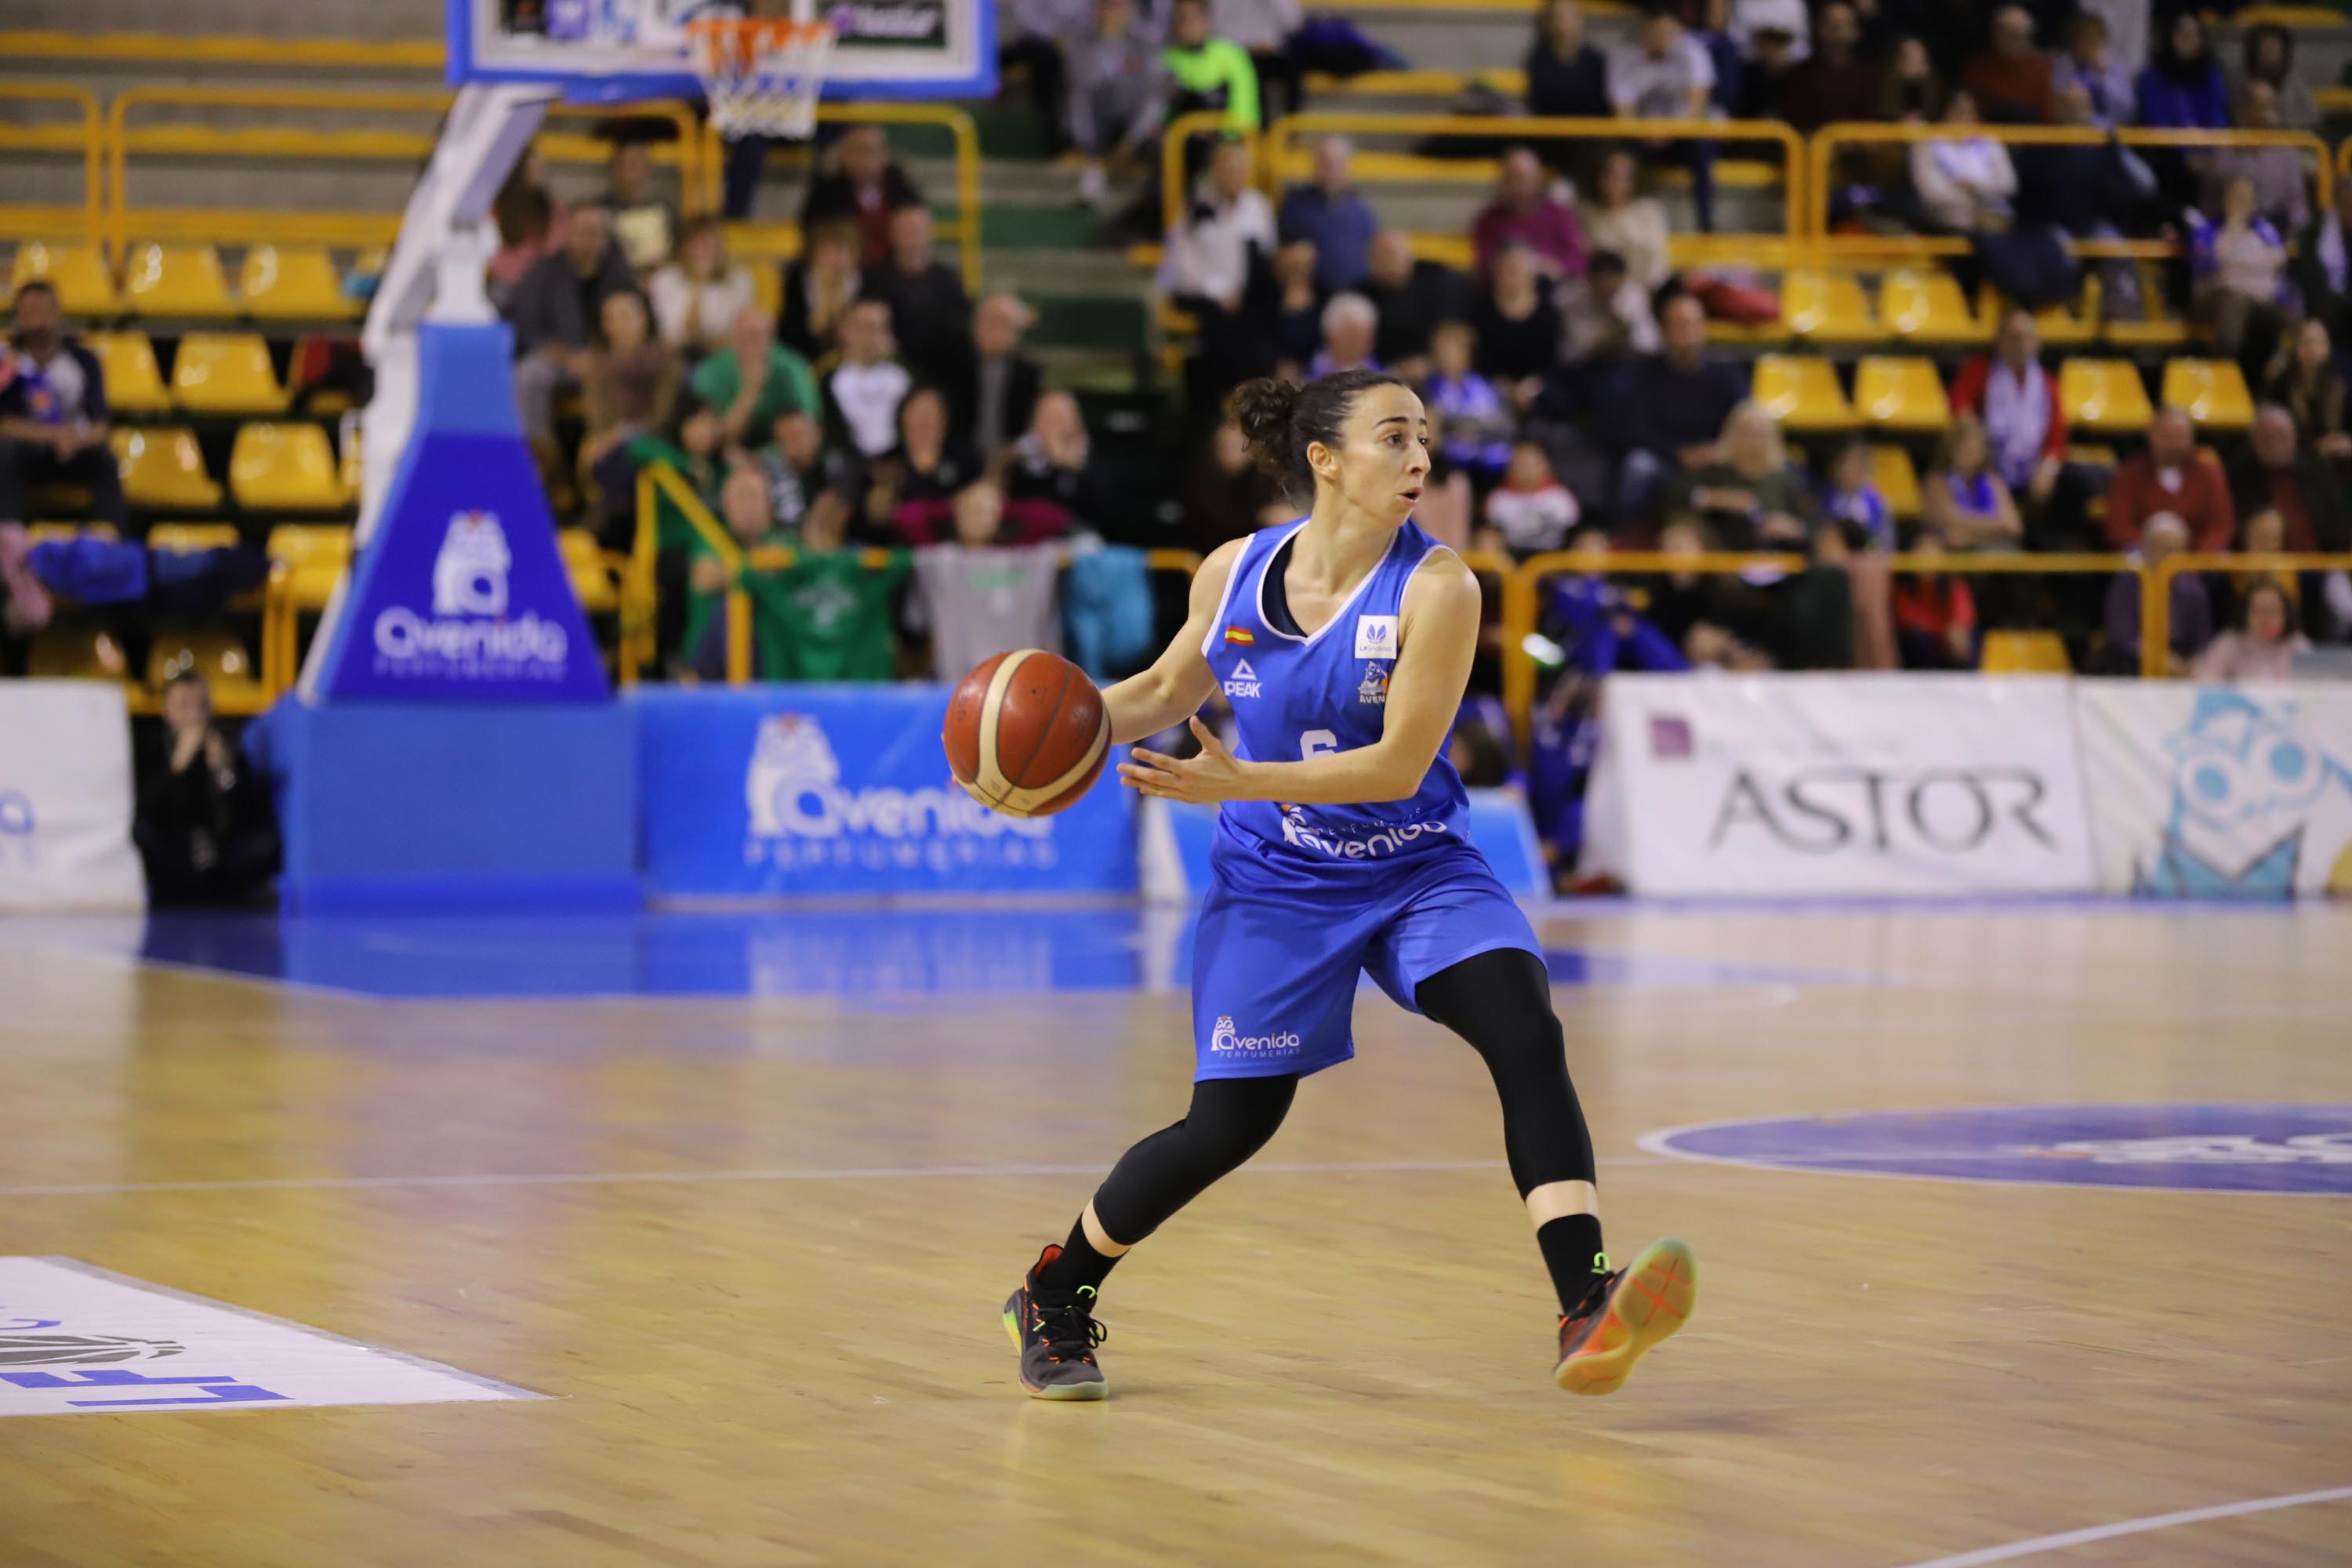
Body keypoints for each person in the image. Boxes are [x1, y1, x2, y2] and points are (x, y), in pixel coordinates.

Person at [995, 366, 1696, 1402]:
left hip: (1415, 867)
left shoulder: (1440, 587)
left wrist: (1241, 779)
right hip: (1277, 882)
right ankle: (1055, 1294)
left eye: (1426, 439)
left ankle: (1584, 1300)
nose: (1421, 458)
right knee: (1229, 1127)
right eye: (1394, 438)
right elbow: (1156, 690)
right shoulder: (1232, 572)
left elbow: (1397, 767)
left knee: (1524, 1028)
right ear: (1324, 461)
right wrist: (1033, 744)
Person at [134, 670, 279, 908]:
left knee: (263, 843)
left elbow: (249, 812)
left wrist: (224, 775)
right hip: (174, 852)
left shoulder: (227, 745)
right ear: (167, 711)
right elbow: (146, 808)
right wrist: (178, 765)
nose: (195, 715)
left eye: (202, 705)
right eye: (184, 706)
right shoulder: (152, 747)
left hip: (220, 853)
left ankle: (224, 888)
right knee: (143, 833)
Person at [507, 201, 636, 452]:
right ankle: (541, 454)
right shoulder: (542, 273)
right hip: (559, 358)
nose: (588, 241)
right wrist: (568, 358)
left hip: (611, 356)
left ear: (606, 238)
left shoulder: (619, 273)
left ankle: (623, 449)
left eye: (595, 233)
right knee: (527, 376)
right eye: (581, 232)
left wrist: (603, 355)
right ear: (567, 233)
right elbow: (526, 329)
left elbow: (640, 319)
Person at [0, 281, 125, 537]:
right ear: (19, 315)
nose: (38, 319)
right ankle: (8, 542)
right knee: (5, 455)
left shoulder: (84, 361)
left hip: (75, 449)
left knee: (107, 462)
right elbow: (5, 425)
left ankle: (113, 544)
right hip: (27, 452)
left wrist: (76, 439)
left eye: (44, 310)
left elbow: (100, 427)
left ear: (58, 313)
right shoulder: (8, 361)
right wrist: (52, 436)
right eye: (29, 311)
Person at [1606, 292, 1748, 517]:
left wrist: (1721, 449)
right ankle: (1631, 533)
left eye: (1691, 324)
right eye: (1677, 325)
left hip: (1717, 458)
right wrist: (1677, 453)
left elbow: (1745, 420)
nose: (1686, 333)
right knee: (1638, 465)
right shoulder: (1642, 375)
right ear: (1663, 330)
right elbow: (1633, 430)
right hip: (1665, 460)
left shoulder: (1726, 374)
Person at [1947, 307, 2070, 519]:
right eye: (2014, 337)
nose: (2021, 344)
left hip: (2032, 468)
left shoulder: (2047, 384)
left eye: (2027, 337)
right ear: (1999, 340)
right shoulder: (1980, 371)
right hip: (1988, 462)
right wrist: (1978, 447)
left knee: (2074, 482)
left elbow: (2057, 438)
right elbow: (1960, 408)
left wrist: (2047, 469)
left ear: (2036, 343)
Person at [1610, 6, 1717, 233]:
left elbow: (1696, 108)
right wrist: (1646, 132)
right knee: (1619, 155)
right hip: (1640, 137)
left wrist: (1668, 131)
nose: (1664, 38)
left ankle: (1706, 222)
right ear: (1646, 31)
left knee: (1702, 146)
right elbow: (1623, 113)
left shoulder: (1693, 53)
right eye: (1658, 31)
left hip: (1679, 136)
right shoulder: (1624, 57)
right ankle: (1621, 219)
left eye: (1669, 32)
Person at [1067, 0, 1171, 210]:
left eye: (1120, 6)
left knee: (1163, 136)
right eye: (1107, 6)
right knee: (1088, 99)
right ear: (1097, 10)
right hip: (1100, 124)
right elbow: (1083, 92)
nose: (1114, 13)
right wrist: (1106, 40)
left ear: (1132, 10)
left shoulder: (1148, 44)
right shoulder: (1081, 45)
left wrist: (1134, 138)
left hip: (1137, 125)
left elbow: (1157, 97)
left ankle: (1159, 195)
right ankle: (1092, 167)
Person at [579, 289, 681, 499]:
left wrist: (622, 433)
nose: (621, 325)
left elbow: (664, 414)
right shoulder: (598, 367)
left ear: (643, 318)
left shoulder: (666, 360)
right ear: (605, 326)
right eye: (613, 319)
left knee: (631, 464)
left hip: (657, 441)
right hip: (610, 446)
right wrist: (606, 438)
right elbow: (596, 417)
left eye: (626, 316)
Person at [691, 305, 821, 455]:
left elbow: (809, 422)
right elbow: (713, 433)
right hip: (726, 452)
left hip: (781, 452)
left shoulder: (792, 367)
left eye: (759, 335)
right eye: (745, 336)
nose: (753, 343)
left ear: (772, 338)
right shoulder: (711, 370)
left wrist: (763, 456)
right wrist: (750, 391)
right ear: (733, 337)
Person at [865, 206, 971, 385]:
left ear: (929, 233)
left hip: (942, 370)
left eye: (916, 230)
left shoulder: (948, 279)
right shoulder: (876, 279)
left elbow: (962, 321)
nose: (911, 237)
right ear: (892, 234)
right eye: (905, 230)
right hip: (890, 369)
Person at [2105, 406, 2234, 552]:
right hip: (2144, 558)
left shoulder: (2210, 473)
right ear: (2151, 436)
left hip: (2199, 559)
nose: (2173, 443)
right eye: (2166, 435)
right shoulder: (2129, 474)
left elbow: (2221, 525)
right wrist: (2155, 548)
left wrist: (2199, 555)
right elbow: (2119, 525)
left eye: (2179, 435)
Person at [2228, 404, 2351, 554]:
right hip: (2267, 565)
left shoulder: (2316, 467)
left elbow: (2337, 517)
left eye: (2281, 436)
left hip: (2323, 562)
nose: (2274, 444)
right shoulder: (2239, 475)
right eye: (2266, 438)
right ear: (2253, 441)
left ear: (2294, 436)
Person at [2100, 511, 2212, 674]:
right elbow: (2122, 635)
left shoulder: (2193, 587)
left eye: (2176, 549)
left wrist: (2194, 662)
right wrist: (2160, 660)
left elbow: (2203, 637)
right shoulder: (2129, 580)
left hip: (2179, 657)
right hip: (2132, 660)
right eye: (2162, 548)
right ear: (2145, 548)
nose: (2170, 556)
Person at [2194, 174, 2288, 363]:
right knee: (2235, 303)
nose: (2240, 202)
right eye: (2236, 196)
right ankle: (2222, 369)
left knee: (2280, 315)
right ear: (2225, 199)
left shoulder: (2265, 232)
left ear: (2255, 204)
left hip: (2258, 299)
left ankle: (2258, 379)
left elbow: (2278, 263)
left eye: (2246, 198)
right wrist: (2233, 229)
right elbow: (2208, 266)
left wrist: (2239, 264)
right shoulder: (2208, 229)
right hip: (2215, 296)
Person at [800, 125, 924, 267]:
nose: (867, 159)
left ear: (885, 154)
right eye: (860, 150)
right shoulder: (825, 194)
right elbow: (813, 236)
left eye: (873, 150)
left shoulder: (903, 189)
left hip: (894, 277)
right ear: (845, 155)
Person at [947, 292, 1044, 465]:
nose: (997, 332)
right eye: (991, 323)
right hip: (960, 460)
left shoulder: (1029, 374)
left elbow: (1035, 428)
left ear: (1017, 333)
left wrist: (1015, 450)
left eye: (1005, 325)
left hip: (1012, 463)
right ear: (974, 327)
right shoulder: (953, 367)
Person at [2202, 82, 2309, 235]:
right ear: (2244, 109)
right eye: (2261, 105)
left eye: (2271, 105)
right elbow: (2211, 204)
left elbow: (2298, 206)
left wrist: (2284, 232)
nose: (2268, 112)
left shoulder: (2286, 151)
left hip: (2275, 228)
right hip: (2232, 230)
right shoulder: (2226, 148)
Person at [1361, 230, 1470, 380]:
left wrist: (1431, 362)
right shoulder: (1362, 296)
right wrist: (1394, 370)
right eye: (1379, 257)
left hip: (1436, 372)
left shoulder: (1437, 283)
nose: (1387, 263)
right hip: (1381, 374)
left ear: (1409, 257)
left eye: (1392, 255)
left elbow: (1453, 333)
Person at [1470, 245, 1564, 413]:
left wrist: (1529, 387)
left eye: (1514, 271)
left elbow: (1553, 361)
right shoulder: (1480, 310)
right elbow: (1479, 359)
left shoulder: (1548, 313)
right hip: (1492, 386)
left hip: (1537, 386)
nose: (1508, 277)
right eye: (1502, 271)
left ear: (1531, 275)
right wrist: (1505, 387)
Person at [1279, 137, 1380, 294]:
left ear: (1347, 167)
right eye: (1324, 161)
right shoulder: (1295, 205)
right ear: (1314, 165)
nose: (1330, 168)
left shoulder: (1361, 210)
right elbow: (1280, 256)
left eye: (1336, 162)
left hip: (1357, 295)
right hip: (1312, 294)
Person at [1471, 147, 1586, 282]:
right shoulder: (1488, 220)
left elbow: (1579, 260)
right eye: (1511, 178)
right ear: (1502, 181)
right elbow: (1485, 265)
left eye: (1522, 178)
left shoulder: (1559, 215)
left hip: (1555, 291)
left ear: (1537, 179)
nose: (1517, 186)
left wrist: (1557, 267)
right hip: (1507, 290)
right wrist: (1518, 265)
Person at [647, 216, 757, 357]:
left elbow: (739, 336)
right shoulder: (663, 280)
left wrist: (705, 340)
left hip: (725, 358)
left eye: (709, 243)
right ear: (684, 247)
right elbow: (674, 339)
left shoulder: (740, 279)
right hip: (677, 359)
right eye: (697, 243)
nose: (702, 251)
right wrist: (698, 286)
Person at [1910, 91, 2016, 235]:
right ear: (1944, 113)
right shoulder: (1926, 144)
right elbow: (1931, 192)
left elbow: (2008, 184)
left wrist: (1975, 187)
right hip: (1948, 220)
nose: (1964, 119)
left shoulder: (1989, 141)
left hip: (1994, 218)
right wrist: (1973, 208)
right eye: (1958, 112)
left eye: (1969, 113)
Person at [823, 299, 915, 463]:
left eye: (880, 328)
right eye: (865, 327)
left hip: (900, 465)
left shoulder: (904, 377)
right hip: (849, 466)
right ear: (844, 330)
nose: (872, 336)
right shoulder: (827, 379)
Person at [1422, 321, 1514, 481]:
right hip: (1448, 464)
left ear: (1468, 354)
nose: (1448, 357)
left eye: (1455, 350)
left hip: (1489, 463)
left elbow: (1506, 427)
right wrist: (1475, 424)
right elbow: (1436, 425)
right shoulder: (1427, 389)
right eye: (1443, 351)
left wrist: (1472, 428)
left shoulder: (1485, 386)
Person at [1576, 147, 1672, 294]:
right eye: (1610, 175)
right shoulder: (1585, 212)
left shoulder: (1650, 211)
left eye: (1624, 177)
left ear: (1633, 181)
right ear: (1599, 178)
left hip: (1647, 290)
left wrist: (1644, 291)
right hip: (1599, 293)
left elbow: (1658, 260)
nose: (1616, 183)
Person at [1921, 414, 2023, 551]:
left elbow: (2013, 525)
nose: (1970, 456)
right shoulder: (1937, 482)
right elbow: (1947, 522)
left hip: (1988, 546)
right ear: (1951, 450)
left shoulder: (1992, 481)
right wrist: (1996, 524)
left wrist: (1968, 530)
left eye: (1975, 451)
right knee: (1928, 548)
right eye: (1964, 450)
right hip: (1949, 548)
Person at [1777, 1, 1881, 136]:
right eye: (1835, 25)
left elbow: (1872, 127)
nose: (1840, 32)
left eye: (1845, 25)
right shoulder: (1799, 75)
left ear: (1856, 31)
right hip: (1811, 152)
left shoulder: (1869, 78)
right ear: (1820, 27)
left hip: (1858, 153)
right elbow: (1795, 126)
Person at [1162, 0, 1260, 134]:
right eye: (1183, 18)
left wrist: (1231, 138)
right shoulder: (1166, 59)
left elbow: (1244, 111)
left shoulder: (1231, 56)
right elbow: (1161, 112)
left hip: (1225, 140)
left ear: (1207, 19)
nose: (1189, 25)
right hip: (1178, 141)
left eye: (1195, 17)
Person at [2263, 321, 2352, 461]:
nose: (2313, 349)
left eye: (2319, 343)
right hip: (2298, 458)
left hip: (2341, 455)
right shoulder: (2281, 382)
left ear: (2328, 347)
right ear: (2295, 348)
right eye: (2306, 343)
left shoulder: (2344, 380)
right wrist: (2314, 447)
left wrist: (2347, 441)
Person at [778, 220, 863, 365]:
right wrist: (822, 305)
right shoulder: (797, 282)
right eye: (828, 251)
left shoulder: (866, 284)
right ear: (814, 255)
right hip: (804, 360)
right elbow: (790, 336)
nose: (836, 259)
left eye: (842, 250)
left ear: (855, 256)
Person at [1559, 249, 1661, 368]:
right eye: (1601, 281)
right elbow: (1571, 352)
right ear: (1590, 280)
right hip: (1587, 369)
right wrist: (1605, 340)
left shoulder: (1635, 296)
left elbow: (1651, 345)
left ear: (1623, 279)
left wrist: (1624, 324)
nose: (1606, 287)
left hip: (1630, 364)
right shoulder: (1573, 299)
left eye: (1612, 280)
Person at [2192, 579, 2308, 681]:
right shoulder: (2230, 643)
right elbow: (2205, 681)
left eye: (2273, 611)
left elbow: (2315, 688)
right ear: (2246, 614)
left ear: (2286, 615)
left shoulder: (2297, 644)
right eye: (2259, 611)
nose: (2266, 618)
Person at [1482, 438, 1580, 555]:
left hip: (1554, 559)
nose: (1524, 469)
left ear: (1545, 465)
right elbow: (1493, 535)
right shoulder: (1498, 499)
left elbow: (1572, 536)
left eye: (1528, 464)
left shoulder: (1561, 498)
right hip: (1509, 560)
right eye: (1518, 463)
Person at [2136, 9, 2230, 130]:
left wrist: (2204, 136)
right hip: (2165, 145)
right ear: (2171, 36)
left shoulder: (2211, 74)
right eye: (2182, 34)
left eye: (2193, 34)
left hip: (2206, 144)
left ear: (2200, 40)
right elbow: (2155, 118)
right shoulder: (2153, 75)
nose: (2187, 40)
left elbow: (2218, 116)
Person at [2288, 175, 2352, 351]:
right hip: (2322, 307)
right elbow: (2305, 269)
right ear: (2337, 202)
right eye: (2347, 203)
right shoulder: (2316, 229)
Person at [1525, 0, 1611, 125]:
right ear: (1549, 22)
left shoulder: (1596, 60)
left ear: (1580, 19)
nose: (1564, 22)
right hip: (1550, 133)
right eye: (1558, 16)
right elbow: (1541, 107)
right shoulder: (1538, 60)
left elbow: (1600, 107)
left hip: (1590, 133)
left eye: (1569, 15)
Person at [1963, 5, 2053, 125]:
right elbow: (1971, 112)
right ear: (1997, 34)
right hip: (1987, 137)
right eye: (2012, 35)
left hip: (2033, 136)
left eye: (2024, 36)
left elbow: (2047, 115)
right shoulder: (1979, 69)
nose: (2019, 42)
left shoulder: (2041, 69)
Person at [601, 140, 676, 273]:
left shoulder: (664, 209)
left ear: (647, 168)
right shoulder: (599, 210)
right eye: (622, 163)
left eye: (635, 163)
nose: (627, 170)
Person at [2052, 10, 2135, 129]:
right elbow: (2060, 107)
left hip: (2111, 134)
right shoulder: (2064, 65)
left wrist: (2104, 77)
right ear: (2076, 40)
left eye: (2096, 39)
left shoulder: (2112, 68)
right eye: (2087, 39)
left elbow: (2128, 111)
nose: (2091, 44)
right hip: (2073, 134)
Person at [2234, 22, 2318, 132]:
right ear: (2254, 52)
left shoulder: (2296, 82)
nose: (2268, 53)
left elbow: (2313, 118)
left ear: (2284, 51)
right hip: (2251, 143)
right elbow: (2233, 120)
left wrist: (2279, 119)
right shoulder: (2239, 79)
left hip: (2292, 142)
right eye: (2263, 48)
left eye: (2273, 48)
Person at [1308, 292, 1381, 379]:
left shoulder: (1385, 380)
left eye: (1357, 337)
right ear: (1328, 336)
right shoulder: (1307, 380)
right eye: (1346, 336)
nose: (1351, 344)